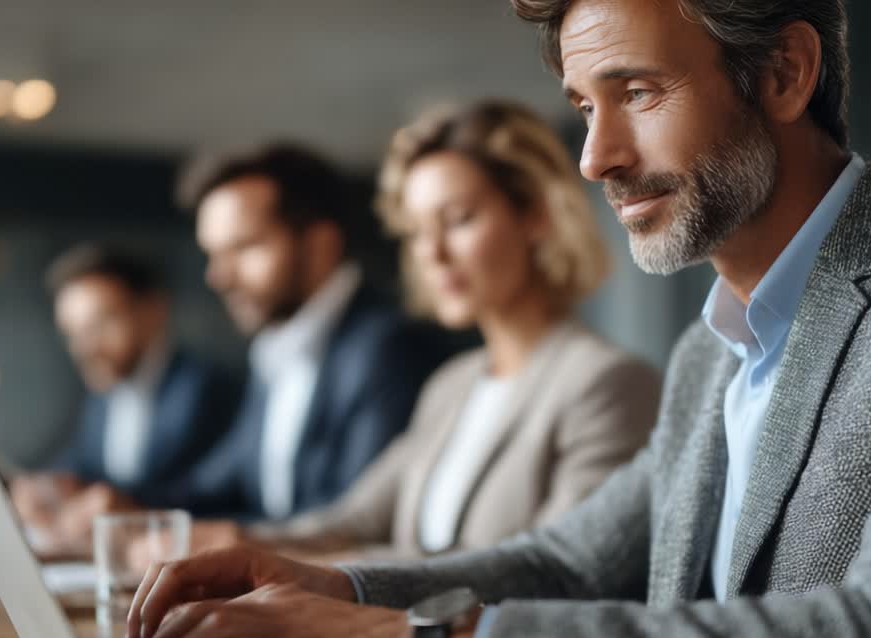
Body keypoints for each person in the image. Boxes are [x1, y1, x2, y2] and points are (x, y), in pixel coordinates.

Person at [120, 1, 871, 638]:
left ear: (785, 73)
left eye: (638, 92)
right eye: (587, 108)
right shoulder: (708, 353)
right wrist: (334, 590)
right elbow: (568, 563)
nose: (596, 158)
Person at [195, 101, 661, 560]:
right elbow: (351, 522)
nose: (432, 254)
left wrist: (352, 577)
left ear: (535, 215)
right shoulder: (450, 386)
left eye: (457, 220)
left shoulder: (607, 384)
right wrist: (221, 542)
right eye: (417, 231)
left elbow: (556, 571)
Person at [176, 144, 460, 522]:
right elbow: (217, 486)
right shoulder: (276, 349)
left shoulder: (389, 347)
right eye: (214, 254)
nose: (218, 277)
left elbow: (351, 522)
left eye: (244, 247)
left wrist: (236, 539)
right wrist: (126, 506)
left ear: (320, 243)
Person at [10, 245, 241, 556]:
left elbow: (209, 493)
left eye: (100, 325)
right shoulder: (103, 398)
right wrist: (49, 487)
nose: (84, 348)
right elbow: (79, 464)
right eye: (73, 334)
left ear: (154, 311)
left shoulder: (204, 390)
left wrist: (128, 507)